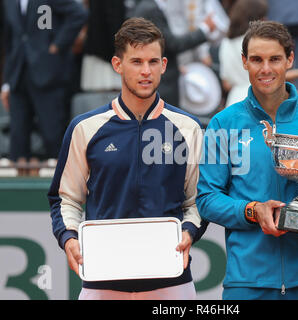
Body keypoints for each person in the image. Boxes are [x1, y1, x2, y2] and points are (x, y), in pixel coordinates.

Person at [196, 20, 298, 300]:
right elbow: (207, 198)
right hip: (247, 283)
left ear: (290, 59)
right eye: (257, 60)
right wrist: (252, 210)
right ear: (245, 62)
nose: (266, 69)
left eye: (275, 59)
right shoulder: (222, 123)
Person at [48, 17, 205, 300]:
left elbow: (198, 199)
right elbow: (65, 198)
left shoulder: (188, 128)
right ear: (117, 65)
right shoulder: (85, 128)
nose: (146, 71)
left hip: (171, 280)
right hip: (102, 282)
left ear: (164, 65)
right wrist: (69, 237)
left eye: (153, 62)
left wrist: (190, 230)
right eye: (136, 62)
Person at [0, 0, 88, 172]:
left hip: (48, 74)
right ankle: (18, 191)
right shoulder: (8, 2)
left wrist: (58, 45)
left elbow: (79, 14)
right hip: (18, 75)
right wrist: (6, 83)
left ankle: (59, 188)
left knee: (52, 134)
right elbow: (9, 41)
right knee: (17, 136)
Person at [219, 0, 298, 108]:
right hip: (257, 101)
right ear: (258, 18)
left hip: (234, 100)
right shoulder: (255, 42)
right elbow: (269, 76)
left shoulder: (225, 42)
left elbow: (226, 83)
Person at [134, 0, 216, 107]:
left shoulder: (148, 6)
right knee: (167, 121)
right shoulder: (151, 9)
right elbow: (171, 44)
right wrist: (204, 29)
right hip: (163, 83)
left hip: (160, 79)